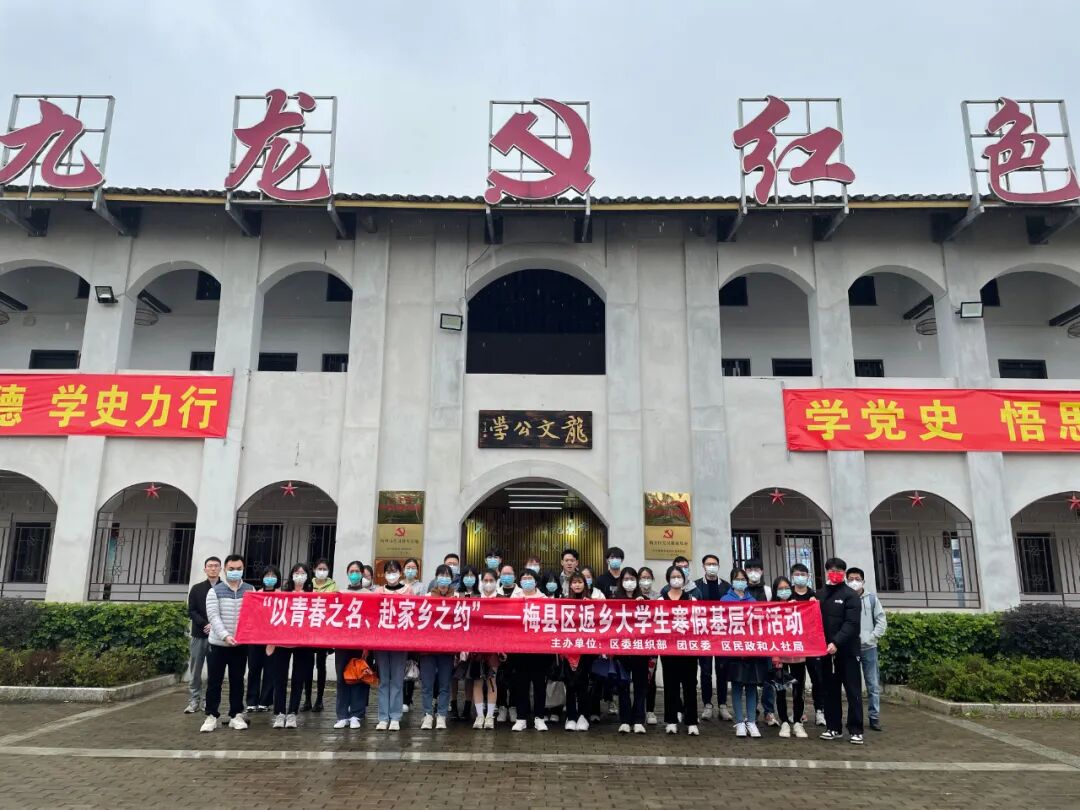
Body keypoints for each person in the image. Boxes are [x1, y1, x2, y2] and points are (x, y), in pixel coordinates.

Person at [200, 554, 254, 733]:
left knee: (237, 681)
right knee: (214, 682)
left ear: (243, 569)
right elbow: (213, 616)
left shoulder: (250, 590)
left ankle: (236, 715)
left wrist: (244, 635)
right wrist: (225, 636)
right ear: (224, 570)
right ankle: (211, 716)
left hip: (240, 645)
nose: (235, 572)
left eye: (238, 569)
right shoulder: (215, 591)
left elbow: (252, 615)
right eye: (231, 569)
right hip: (218, 644)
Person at [819, 557, 864, 744]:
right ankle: (833, 727)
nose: (835, 573)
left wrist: (836, 642)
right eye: (831, 570)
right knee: (830, 691)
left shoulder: (850, 595)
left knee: (853, 691)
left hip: (847, 651)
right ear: (826, 572)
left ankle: (856, 730)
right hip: (825, 652)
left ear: (844, 573)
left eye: (838, 570)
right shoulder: (820, 594)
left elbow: (851, 623)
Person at [268, 563, 317, 730]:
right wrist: (271, 641)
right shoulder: (283, 594)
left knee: (298, 678)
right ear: (291, 575)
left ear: (308, 576)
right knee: (279, 678)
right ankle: (280, 712)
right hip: (282, 642)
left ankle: (292, 713)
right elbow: (274, 618)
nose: (299, 575)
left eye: (303, 573)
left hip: (303, 643)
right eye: (297, 572)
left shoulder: (313, 596)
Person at [722, 567, 766, 738]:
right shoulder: (725, 600)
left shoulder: (752, 600)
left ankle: (752, 721)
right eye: (737, 579)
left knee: (752, 687)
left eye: (743, 579)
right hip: (734, 651)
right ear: (732, 581)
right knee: (737, 686)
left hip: (751, 650)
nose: (740, 582)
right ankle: (740, 722)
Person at [660, 564, 699, 735]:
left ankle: (691, 721)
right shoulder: (660, 601)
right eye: (673, 577)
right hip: (668, 650)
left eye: (679, 577)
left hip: (688, 650)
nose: (676, 580)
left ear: (684, 580)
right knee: (670, 685)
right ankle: (671, 720)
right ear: (668, 580)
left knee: (690, 686)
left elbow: (697, 624)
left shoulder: (691, 599)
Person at [847, 566, 886, 732]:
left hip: (869, 648)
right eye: (851, 579)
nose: (854, 582)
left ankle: (874, 717)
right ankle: (855, 718)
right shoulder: (845, 598)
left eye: (857, 579)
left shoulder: (872, 599)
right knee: (852, 686)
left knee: (872, 684)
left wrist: (872, 637)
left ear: (863, 581)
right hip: (850, 648)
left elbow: (881, 620)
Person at [769, 576, 808, 739]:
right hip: (779, 655)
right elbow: (769, 633)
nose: (784, 591)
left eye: (786, 588)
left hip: (798, 654)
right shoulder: (770, 608)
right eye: (780, 588)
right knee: (781, 690)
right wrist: (775, 655)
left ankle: (798, 722)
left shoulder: (798, 606)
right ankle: (784, 721)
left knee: (798, 690)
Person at [419, 565, 457, 730]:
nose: (444, 579)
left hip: (447, 648)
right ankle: (428, 714)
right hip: (428, 649)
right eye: (441, 575)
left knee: (444, 684)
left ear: (451, 579)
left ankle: (441, 715)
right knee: (427, 684)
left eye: (447, 576)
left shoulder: (457, 597)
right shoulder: (427, 597)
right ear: (436, 578)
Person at [334, 560, 371, 729]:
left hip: (360, 642)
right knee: (342, 678)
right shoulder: (340, 593)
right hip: (342, 642)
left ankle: (357, 714)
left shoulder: (368, 594)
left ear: (362, 573)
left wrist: (367, 645)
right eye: (351, 571)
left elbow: (370, 619)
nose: (354, 574)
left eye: (357, 571)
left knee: (359, 677)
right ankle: (342, 715)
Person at [511, 569, 550, 732]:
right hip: (520, 649)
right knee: (521, 685)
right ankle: (521, 718)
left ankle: (539, 718)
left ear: (536, 581)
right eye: (524, 578)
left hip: (539, 650)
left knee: (540, 685)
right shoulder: (514, 598)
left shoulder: (544, 599)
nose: (527, 580)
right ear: (520, 581)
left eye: (530, 578)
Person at [374, 560, 410, 731]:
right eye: (388, 571)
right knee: (383, 680)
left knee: (396, 679)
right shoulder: (378, 591)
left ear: (400, 573)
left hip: (400, 641)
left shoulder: (407, 591)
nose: (391, 574)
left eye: (394, 571)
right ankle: (383, 717)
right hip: (381, 641)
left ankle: (395, 716)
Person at [695, 553, 731, 722]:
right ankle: (707, 704)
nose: (711, 566)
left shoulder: (726, 586)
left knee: (722, 670)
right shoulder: (696, 586)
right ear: (703, 566)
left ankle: (723, 704)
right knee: (706, 671)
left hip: (722, 634)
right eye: (708, 564)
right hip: (704, 635)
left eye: (714, 564)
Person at [613, 567, 648, 734]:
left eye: (632, 579)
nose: (629, 582)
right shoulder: (614, 601)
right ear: (621, 582)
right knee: (623, 686)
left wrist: (643, 605)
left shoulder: (645, 600)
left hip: (640, 651)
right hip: (622, 650)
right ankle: (625, 720)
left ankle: (639, 719)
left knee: (641, 686)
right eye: (626, 579)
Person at [790, 563, 825, 726]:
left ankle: (820, 711)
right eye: (797, 574)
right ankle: (798, 712)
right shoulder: (788, 595)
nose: (800, 577)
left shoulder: (815, 596)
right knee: (797, 681)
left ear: (808, 576)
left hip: (812, 645)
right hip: (795, 645)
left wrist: (816, 605)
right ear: (792, 576)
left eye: (803, 574)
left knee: (818, 679)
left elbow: (822, 621)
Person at [184, 555, 220, 714]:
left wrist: (214, 626)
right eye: (210, 566)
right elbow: (192, 610)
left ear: (220, 569)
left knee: (214, 671)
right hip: (199, 634)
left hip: (217, 637)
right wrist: (205, 624)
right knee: (195, 670)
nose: (213, 568)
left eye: (216, 566)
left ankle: (208, 701)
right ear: (205, 569)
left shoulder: (224, 589)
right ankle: (194, 700)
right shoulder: (196, 588)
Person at [743, 556, 776, 725]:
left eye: (756, 569)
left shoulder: (768, 591)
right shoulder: (741, 590)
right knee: (750, 678)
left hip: (766, 639)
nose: (753, 573)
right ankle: (752, 711)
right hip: (747, 640)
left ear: (762, 571)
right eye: (749, 569)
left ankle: (769, 711)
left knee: (768, 677)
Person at [469, 569, 502, 729]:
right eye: (485, 580)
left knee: (491, 681)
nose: (488, 583)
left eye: (491, 580)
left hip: (495, 648)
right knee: (477, 681)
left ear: (496, 581)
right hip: (476, 647)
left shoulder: (502, 600)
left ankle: (489, 716)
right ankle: (479, 716)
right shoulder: (474, 600)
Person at [245, 564, 280, 713]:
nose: (270, 578)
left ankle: (265, 701)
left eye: (273, 576)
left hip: (273, 639)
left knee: (270, 670)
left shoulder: (282, 595)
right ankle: (251, 701)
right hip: (255, 638)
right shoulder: (256, 594)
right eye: (267, 575)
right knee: (254, 669)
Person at [562, 572, 594, 731]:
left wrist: (591, 606)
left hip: (586, 648)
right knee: (570, 684)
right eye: (574, 582)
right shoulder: (564, 603)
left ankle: (583, 716)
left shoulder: (592, 603)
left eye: (580, 582)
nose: (577, 585)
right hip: (568, 648)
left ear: (585, 584)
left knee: (583, 683)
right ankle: (571, 716)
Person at [305, 558, 336, 712]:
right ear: (314, 569)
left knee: (321, 665)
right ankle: (307, 699)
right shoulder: (308, 584)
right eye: (319, 568)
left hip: (324, 631)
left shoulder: (333, 586)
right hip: (308, 630)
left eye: (324, 569)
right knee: (308, 665)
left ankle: (319, 699)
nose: (322, 571)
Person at [638, 566, 660, 726]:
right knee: (637, 677)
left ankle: (650, 710)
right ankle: (638, 709)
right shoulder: (633, 596)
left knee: (650, 678)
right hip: (635, 643)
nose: (645, 580)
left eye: (648, 577)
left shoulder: (658, 597)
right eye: (642, 577)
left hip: (652, 642)